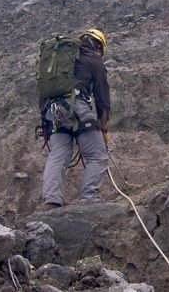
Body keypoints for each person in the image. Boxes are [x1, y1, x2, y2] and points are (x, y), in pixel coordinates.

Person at [42, 28, 111, 208]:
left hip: (53, 111)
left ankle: (51, 200)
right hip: (77, 106)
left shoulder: (64, 60)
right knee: (98, 155)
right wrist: (103, 130)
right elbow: (103, 100)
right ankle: (88, 198)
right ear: (98, 46)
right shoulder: (93, 60)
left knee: (58, 154)